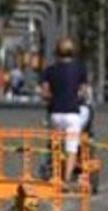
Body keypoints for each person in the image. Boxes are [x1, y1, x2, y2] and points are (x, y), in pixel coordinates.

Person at [40, 37, 90, 185]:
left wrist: (55, 96)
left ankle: (55, 174)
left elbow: (44, 93)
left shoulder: (49, 70)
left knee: (55, 144)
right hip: (72, 113)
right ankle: (66, 178)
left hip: (55, 114)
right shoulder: (79, 69)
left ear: (56, 53)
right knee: (71, 148)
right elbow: (84, 92)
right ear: (73, 52)